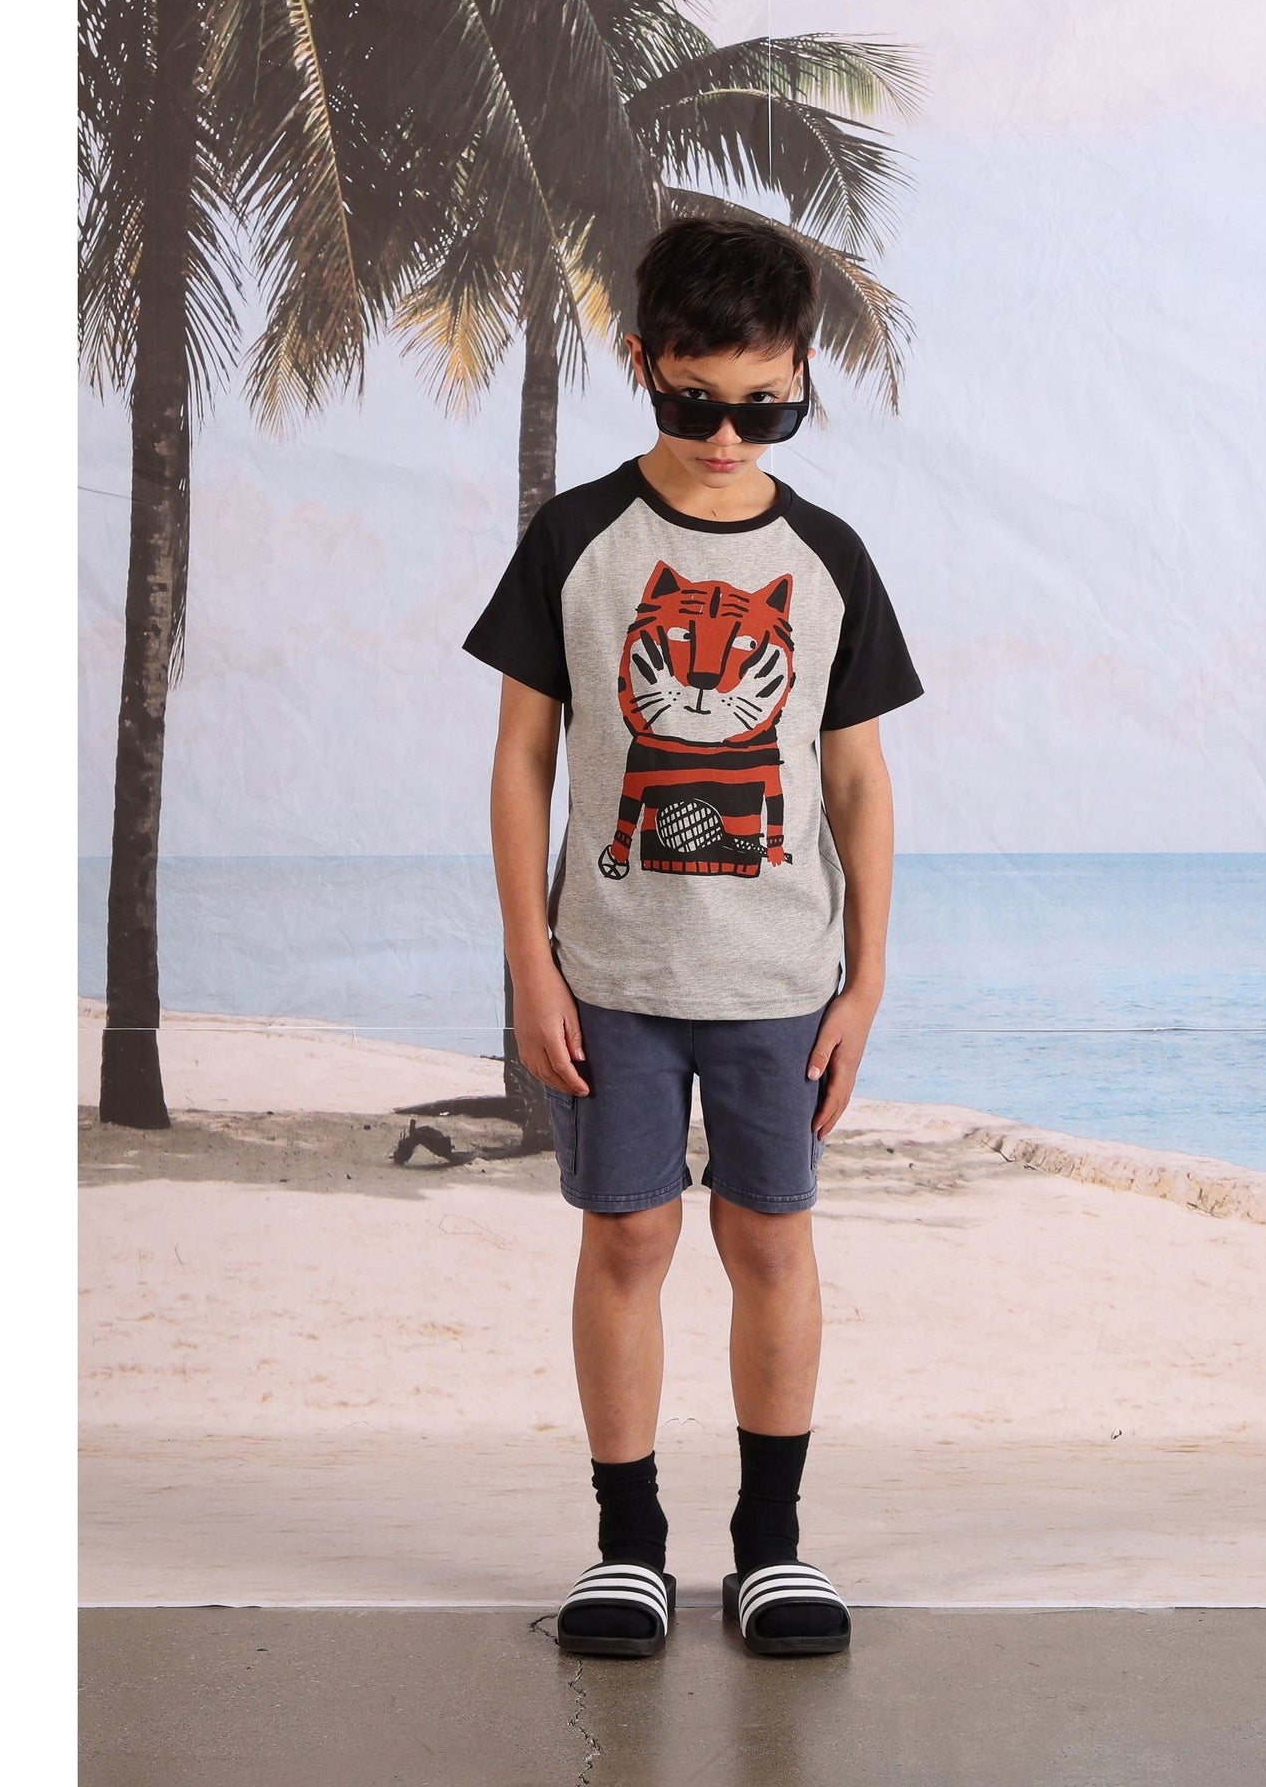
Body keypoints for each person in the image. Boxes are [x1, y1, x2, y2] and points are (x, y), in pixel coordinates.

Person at [461, 217, 924, 1659]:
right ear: (641, 363)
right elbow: (522, 761)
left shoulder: (828, 557)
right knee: (628, 1238)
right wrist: (532, 966)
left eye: (764, 409)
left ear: (803, 376)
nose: (728, 438)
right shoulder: (576, 541)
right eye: (693, 403)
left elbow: (857, 778)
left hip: (782, 978)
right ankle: (629, 1547)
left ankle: (771, 1547)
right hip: (611, 972)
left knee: (771, 1241)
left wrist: (867, 981)